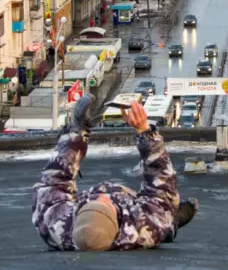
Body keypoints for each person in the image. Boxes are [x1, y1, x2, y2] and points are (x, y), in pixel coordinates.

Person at [31, 95, 197, 251]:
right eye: (105, 205)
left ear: (76, 218)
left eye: (89, 206)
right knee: (163, 222)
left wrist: (78, 130)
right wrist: (144, 131)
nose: (101, 197)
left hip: (100, 218)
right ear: (116, 221)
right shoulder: (141, 226)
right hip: (136, 208)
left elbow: (53, 180)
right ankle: (173, 224)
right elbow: (163, 191)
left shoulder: (58, 229)